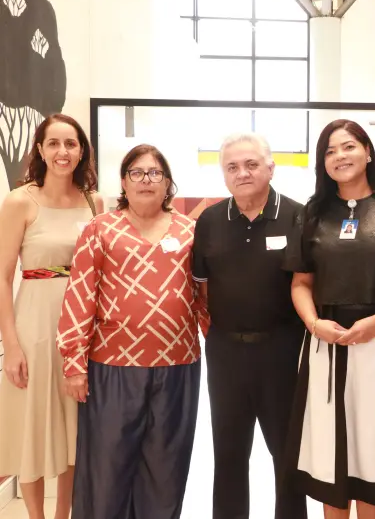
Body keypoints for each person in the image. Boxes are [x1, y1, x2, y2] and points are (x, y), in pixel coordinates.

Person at [282, 119, 375, 519]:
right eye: (329, 151)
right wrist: (314, 324)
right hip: (326, 343)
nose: (339, 156)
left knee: (373, 450)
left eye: (348, 146)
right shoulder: (312, 212)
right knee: (329, 453)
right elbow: (300, 282)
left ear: (368, 151)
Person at [56, 144, 203, 519]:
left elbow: (204, 297)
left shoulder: (190, 231)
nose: (146, 180)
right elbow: (80, 295)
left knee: (166, 468)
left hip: (177, 365)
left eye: (155, 173)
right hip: (112, 367)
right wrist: (73, 363)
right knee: (108, 468)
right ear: (123, 181)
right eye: (137, 172)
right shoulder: (100, 229)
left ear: (167, 182)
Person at [191, 132, 308, 519]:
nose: (242, 173)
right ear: (224, 175)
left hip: (283, 350)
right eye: (232, 167)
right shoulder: (210, 221)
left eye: (251, 164)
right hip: (225, 352)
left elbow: (308, 284)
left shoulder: (298, 217)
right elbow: (201, 288)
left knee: (287, 453)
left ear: (271, 168)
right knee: (228, 452)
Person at [0, 113, 101, 519]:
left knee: (74, 427)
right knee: (35, 426)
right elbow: (3, 276)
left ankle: (64, 515)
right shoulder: (20, 201)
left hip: (84, 328)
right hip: (36, 326)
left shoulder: (95, 202)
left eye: (71, 143)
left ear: (81, 151)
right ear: (40, 150)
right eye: (54, 143)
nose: (63, 152)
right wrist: (11, 345)